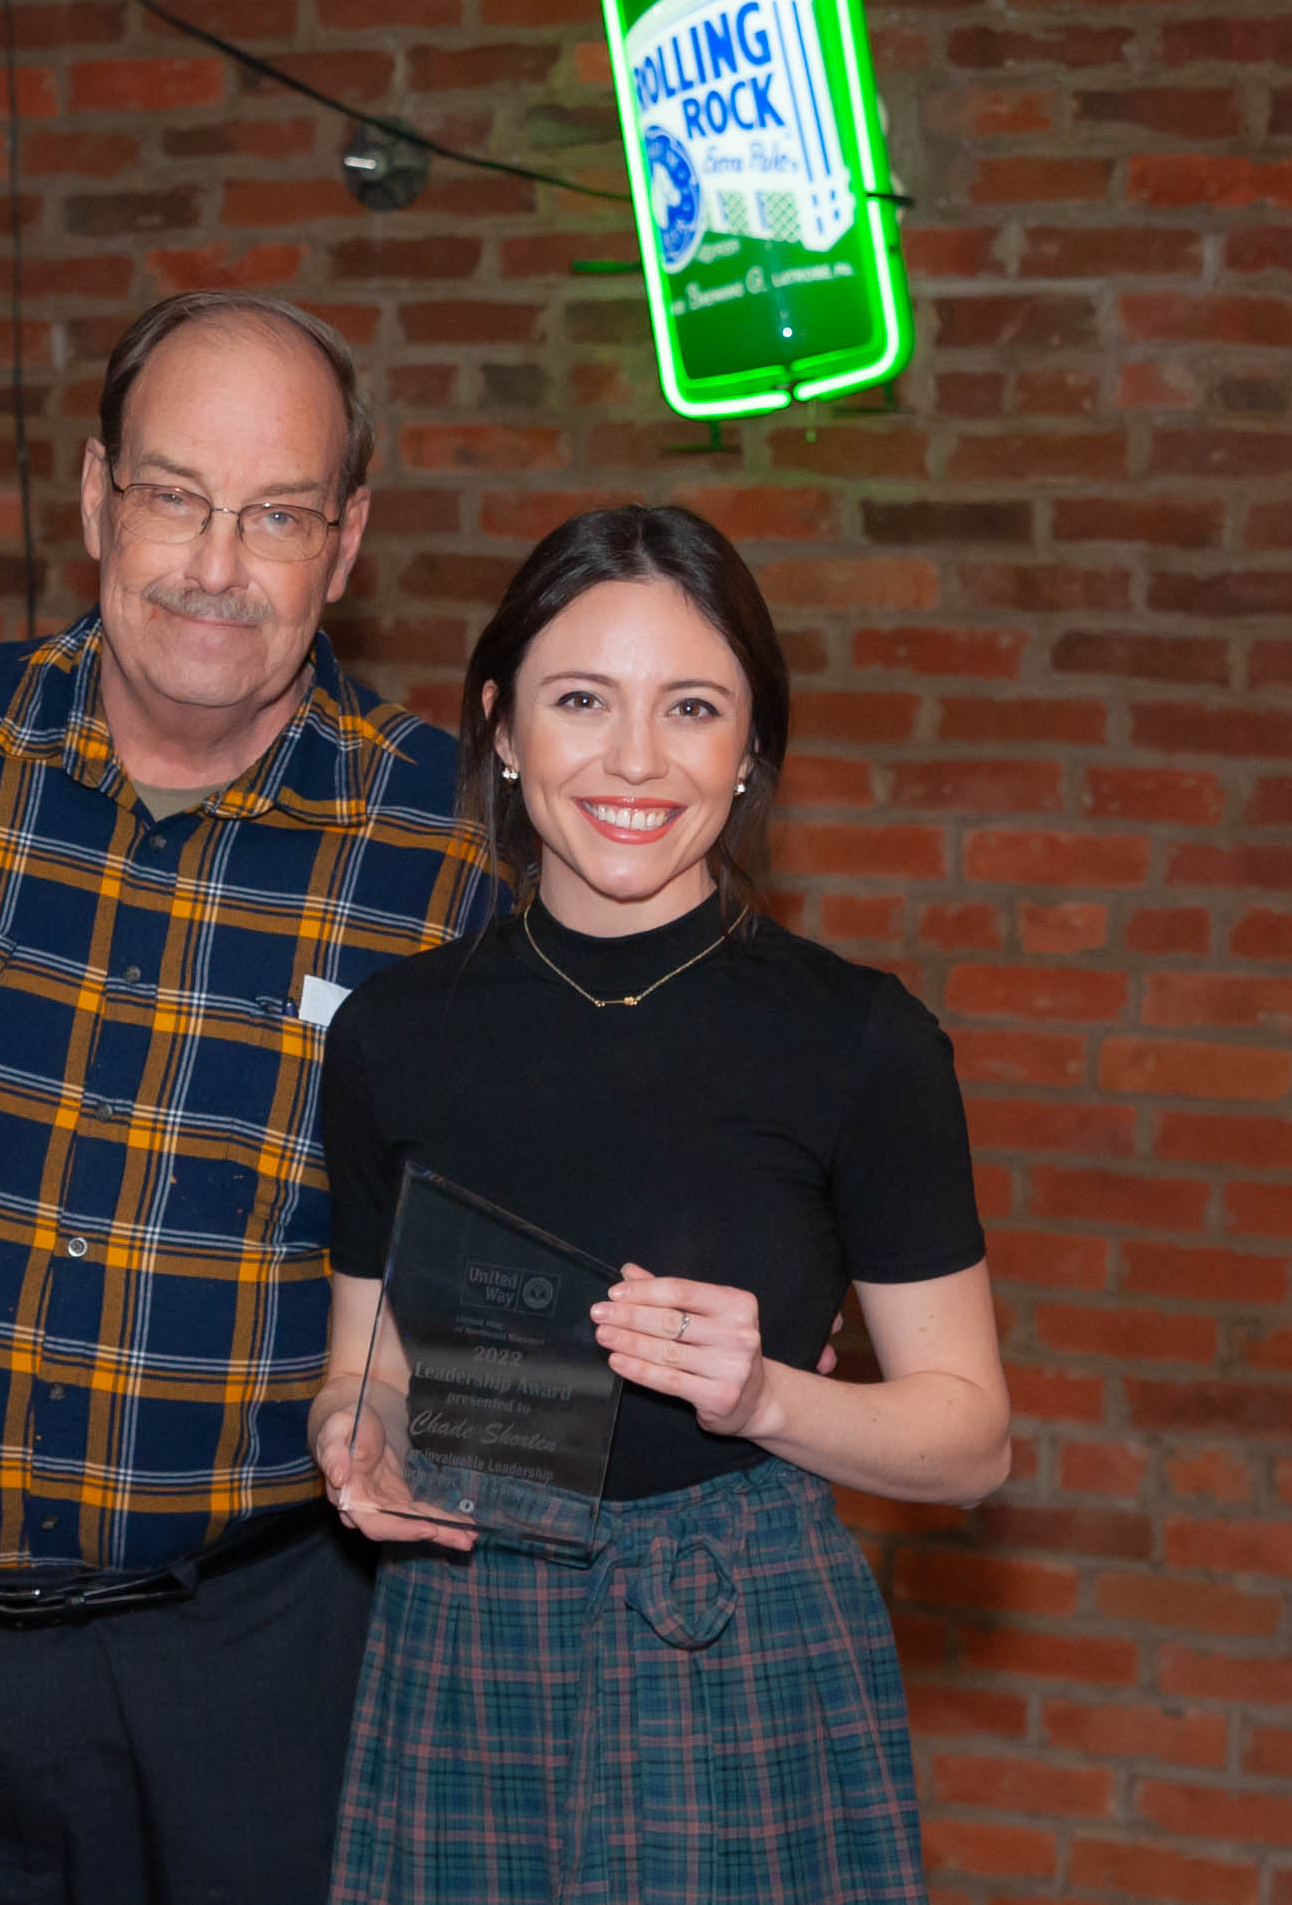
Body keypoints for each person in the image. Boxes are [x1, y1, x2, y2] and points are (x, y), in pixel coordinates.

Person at [0, 292, 494, 1904]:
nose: (216, 565)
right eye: (172, 495)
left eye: (278, 513)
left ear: (348, 540)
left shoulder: (450, 846)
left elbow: (560, 1194)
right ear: (96, 495)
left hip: (252, 1664)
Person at [311, 503, 1010, 1903]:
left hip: (747, 1631)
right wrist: (355, 1436)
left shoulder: (858, 1040)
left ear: (749, 749)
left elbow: (970, 1439)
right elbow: (372, 1364)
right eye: (583, 700)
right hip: (467, 1622)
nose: (636, 760)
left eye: (692, 707)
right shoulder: (395, 1032)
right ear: (505, 727)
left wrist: (765, 1400)